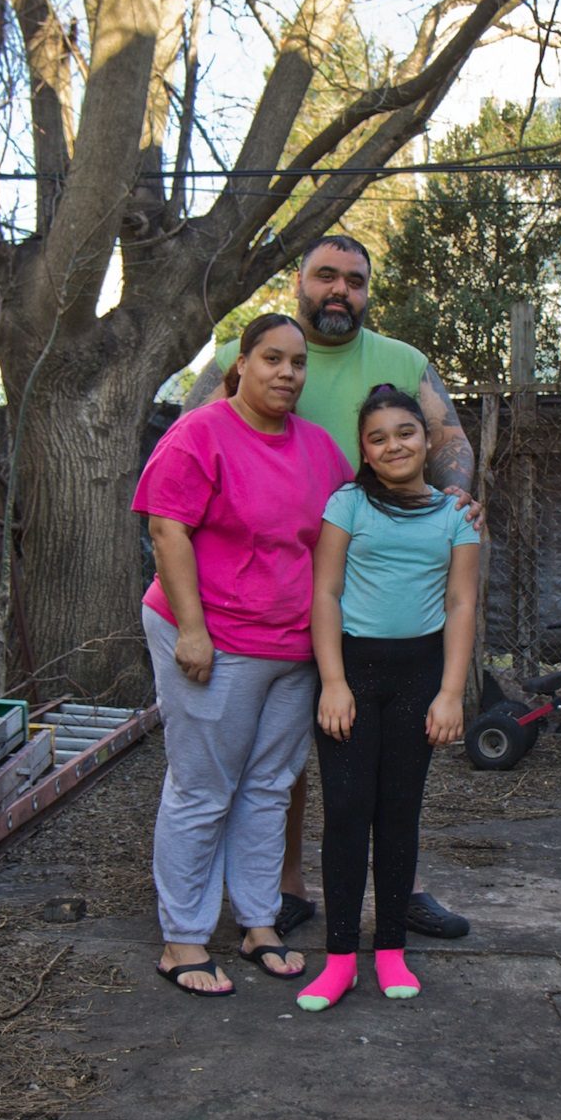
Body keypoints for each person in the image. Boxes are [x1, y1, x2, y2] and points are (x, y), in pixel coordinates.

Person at [184, 235, 479, 941]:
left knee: (395, 748)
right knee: (287, 749)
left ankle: (399, 888)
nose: (339, 290)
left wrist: (461, 494)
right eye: (326, 276)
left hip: (385, 583)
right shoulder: (242, 354)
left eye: (354, 279)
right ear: (298, 282)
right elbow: (189, 438)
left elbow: (450, 438)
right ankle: (285, 885)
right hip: (278, 585)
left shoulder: (402, 360)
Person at [133, 314, 354, 996]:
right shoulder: (201, 433)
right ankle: (184, 937)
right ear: (242, 365)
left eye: (297, 363)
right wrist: (193, 630)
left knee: (269, 786)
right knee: (203, 788)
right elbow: (167, 528)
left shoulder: (318, 449)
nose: (287, 373)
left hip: (291, 647)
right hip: (212, 637)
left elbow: (353, 524)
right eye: (272, 359)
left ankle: (259, 920)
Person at [296, 386, 479, 1012]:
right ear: (365, 453)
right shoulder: (347, 505)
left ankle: (392, 949)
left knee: (400, 812)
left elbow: (460, 605)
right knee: (347, 810)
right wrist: (334, 681)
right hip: (352, 673)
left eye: (406, 432)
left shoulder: (456, 517)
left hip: (419, 676)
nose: (394, 444)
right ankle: (341, 958)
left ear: (427, 441)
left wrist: (451, 693)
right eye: (378, 437)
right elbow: (325, 593)